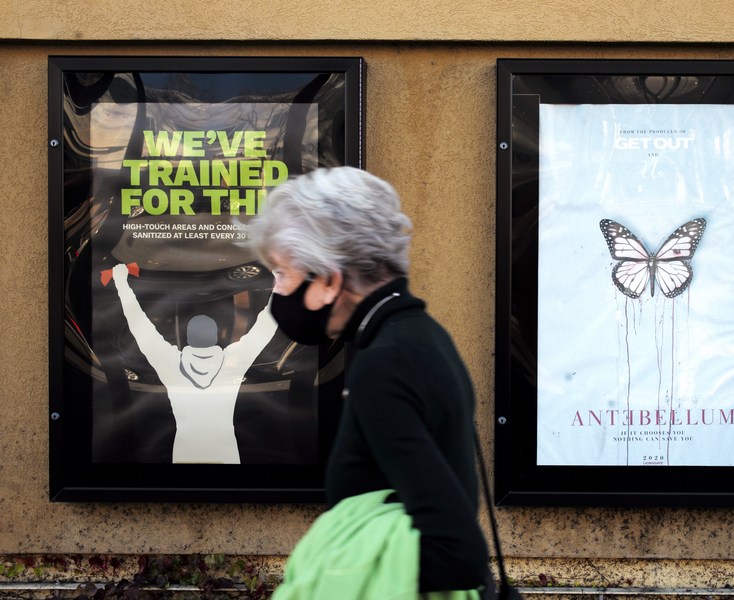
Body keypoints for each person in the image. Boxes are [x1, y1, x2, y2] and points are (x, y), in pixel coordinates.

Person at [247, 166, 491, 597]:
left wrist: (334, 571)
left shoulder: (384, 363)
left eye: (281, 273)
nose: (277, 293)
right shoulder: (422, 336)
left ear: (328, 279)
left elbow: (457, 553)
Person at [109, 262, 278, 464]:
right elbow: (265, 328)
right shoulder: (231, 364)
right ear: (216, 337)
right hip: (226, 453)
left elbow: (140, 326)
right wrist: (280, 283)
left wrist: (121, 282)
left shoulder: (171, 364)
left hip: (184, 453)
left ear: (188, 338)